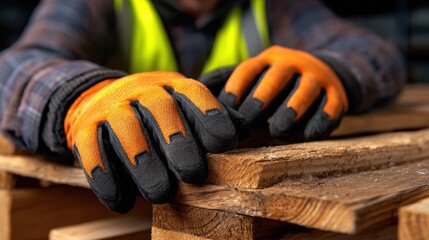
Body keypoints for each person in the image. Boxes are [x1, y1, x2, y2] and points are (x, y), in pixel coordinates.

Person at [0, 0, 405, 213]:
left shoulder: (277, 5)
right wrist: (81, 97)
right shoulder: (100, 3)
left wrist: (338, 69)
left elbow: (374, 51)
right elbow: (18, 64)